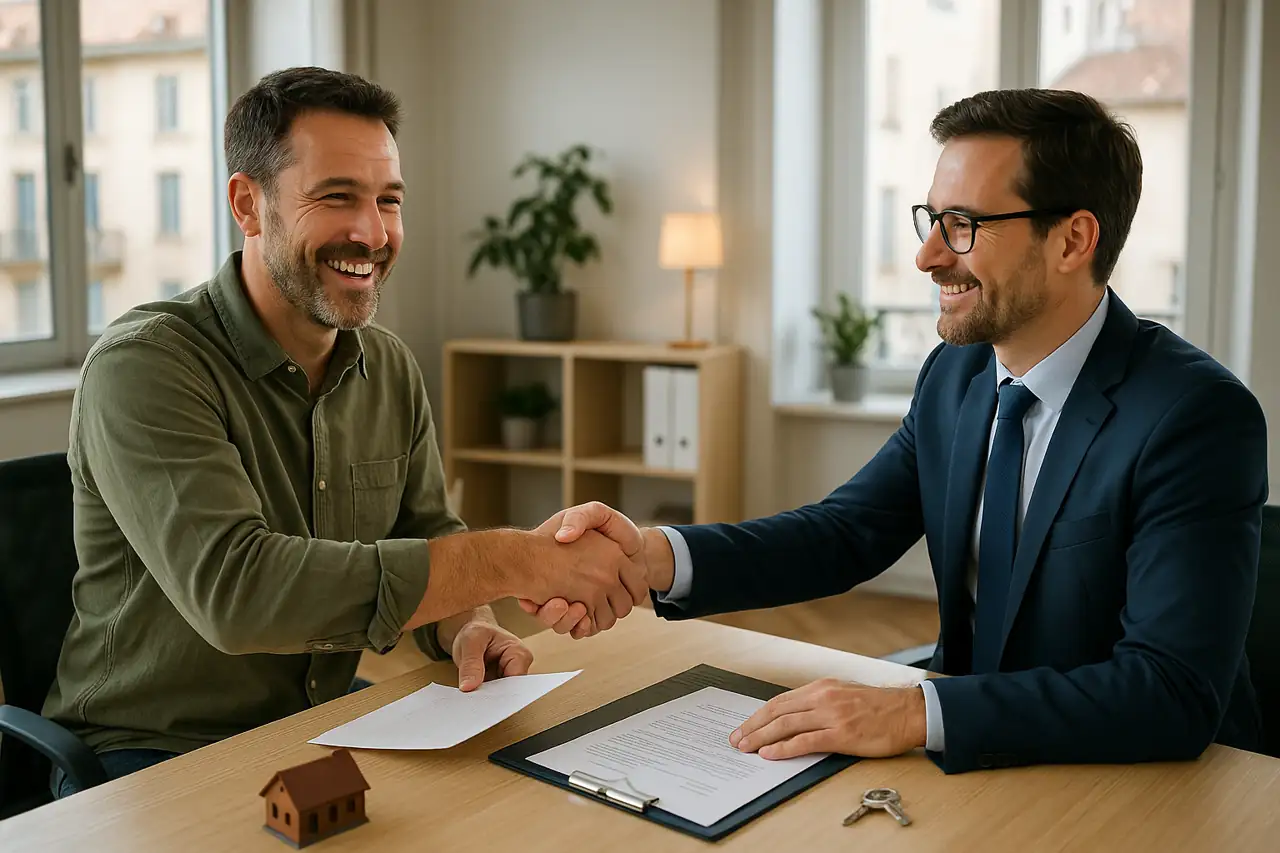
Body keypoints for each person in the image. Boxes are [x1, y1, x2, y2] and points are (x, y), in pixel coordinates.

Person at [530, 88, 1267, 773]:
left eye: (964, 225)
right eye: (931, 219)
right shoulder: (957, 376)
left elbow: (1168, 690)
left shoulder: (1193, 417)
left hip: (1142, 783)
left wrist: (918, 709)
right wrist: (657, 556)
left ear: (1073, 239)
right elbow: (845, 532)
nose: (927, 255)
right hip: (974, 767)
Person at [44, 66, 642, 798]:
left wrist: (466, 627)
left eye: (388, 200)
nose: (372, 231)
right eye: (337, 197)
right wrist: (514, 559)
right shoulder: (146, 366)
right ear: (248, 204)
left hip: (318, 725)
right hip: (146, 756)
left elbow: (428, 528)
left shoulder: (388, 365)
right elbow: (239, 592)